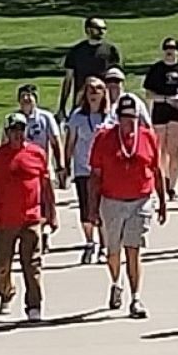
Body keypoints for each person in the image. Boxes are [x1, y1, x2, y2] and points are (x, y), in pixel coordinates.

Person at [88, 95, 167, 319]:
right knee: (113, 251)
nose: (129, 123)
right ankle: (116, 282)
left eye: (133, 118)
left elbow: (157, 170)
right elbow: (95, 176)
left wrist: (162, 202)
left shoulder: (148, 137)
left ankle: (136, 298)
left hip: (140, 199)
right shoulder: (104, 138)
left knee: (134, 248)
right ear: (118, 119)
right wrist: (92, 209)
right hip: (112, 201)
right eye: (124, 118)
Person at [0, 112, 57, 322]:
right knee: (2, 263)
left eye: (21, 130)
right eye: (13, 131)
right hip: (5, 220)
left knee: (32, 264)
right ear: (7, 133)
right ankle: (6, 293)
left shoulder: (37, 154)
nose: (17, 135)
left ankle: (34, 305)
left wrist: (51, 212)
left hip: (32, 218)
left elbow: (46, 185)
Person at [5, 84, 64, 254]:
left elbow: (55, 141)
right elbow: (5, 145)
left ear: (36, 99)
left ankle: (45, 231)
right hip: (20, 174)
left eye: (30, 96)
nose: (26, 99)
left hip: (43, 170)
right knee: (27, 206)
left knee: (47, 204)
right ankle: (31, 236)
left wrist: (60, 165)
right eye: (23, 96)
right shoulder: (12, 120)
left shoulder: (45, 118)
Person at [64, 76, 113, 265]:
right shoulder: (78, 116)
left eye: (98, 89)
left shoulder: (109, 116)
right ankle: (89, 242)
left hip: (105, 169)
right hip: (83, 168)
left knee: (102, 208)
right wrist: (65, 166)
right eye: (90, 89)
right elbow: (70, 142)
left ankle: (104, 245)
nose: (94, 93)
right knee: (86, 208)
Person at [142, 38, 178, 203]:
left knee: (174, 150)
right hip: (160, 112)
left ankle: (172, 186)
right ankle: (162, 181)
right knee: (159, 150)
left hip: (177, 114)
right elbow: (148, 93)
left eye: (173, 48)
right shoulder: (156, 70)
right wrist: (165, 99)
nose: (170, 51)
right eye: (167, 48)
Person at [58, 17, 121, 120]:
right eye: (98, 28)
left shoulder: (111, 51)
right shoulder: (76, 52)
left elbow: (117, 80)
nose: (102, 31)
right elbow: (68, 80)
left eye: (104, 28)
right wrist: (62, 107)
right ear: (88, 30)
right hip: (81, 103)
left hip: (105, 105)